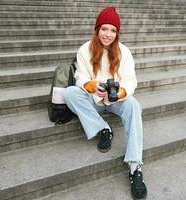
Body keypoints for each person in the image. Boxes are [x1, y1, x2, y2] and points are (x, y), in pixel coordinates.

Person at [63, 6, 147, 200]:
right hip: (94, 99)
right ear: (97, 29)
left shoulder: (124, 52)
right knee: (69, 93)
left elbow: (131, 80)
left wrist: (120, 92)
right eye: (104, 29)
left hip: (116, 101)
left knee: (134, 105)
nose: (108, 34)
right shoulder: (85, 50)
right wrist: (91, 86)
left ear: (117, 33)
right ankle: (103, 129)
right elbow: (80, 76)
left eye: (112, 30)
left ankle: (135, 167)